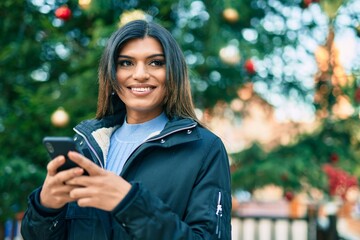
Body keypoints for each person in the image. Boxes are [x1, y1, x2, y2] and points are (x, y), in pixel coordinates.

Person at [21, 19, 231, 239]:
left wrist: (130, 203)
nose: (140, 74)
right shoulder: (86, 147)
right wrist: (45, 207)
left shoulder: (204, 149)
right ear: (112, 75)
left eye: (156, 62)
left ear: (173, 73)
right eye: (126, 63)